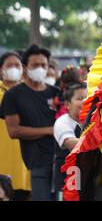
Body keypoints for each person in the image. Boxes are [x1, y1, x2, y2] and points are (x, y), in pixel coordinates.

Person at [1, 44, 60, 201]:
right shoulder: (13, 95)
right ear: (26, 67)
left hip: (62, 160)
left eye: (43, 65)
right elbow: (14, 131)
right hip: (37, 162)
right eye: (35, 65)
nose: (40, 68)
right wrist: (49, 130)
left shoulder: (56, 93)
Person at [0, 52, 31, 200]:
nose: (13, 68)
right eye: (9, 65)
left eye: (17, 65)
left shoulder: (30, 93)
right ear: (1, 69)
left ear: (23, 69)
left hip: (24, 163)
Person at [53, 82, 86, 200]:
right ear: (67, 104)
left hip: (88, 180)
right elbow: (71, 143)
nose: (84, 101)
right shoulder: (62, 122)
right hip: (68, 181)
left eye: (87, 98)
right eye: (80, 98)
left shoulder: (95, 121)